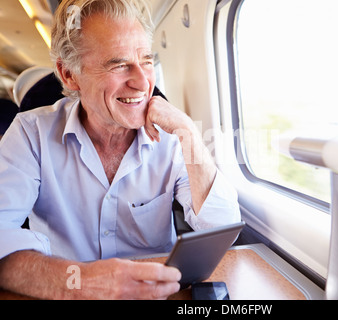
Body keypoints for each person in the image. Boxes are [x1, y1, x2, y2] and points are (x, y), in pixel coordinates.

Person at [0, 0, 240, 299]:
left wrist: (189, 133)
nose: (142, 83)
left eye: (147, 60)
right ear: (69, 75)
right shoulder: (29, 133)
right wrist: (82, 282)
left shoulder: (172, 137)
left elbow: (223, 227)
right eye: (118, 64)